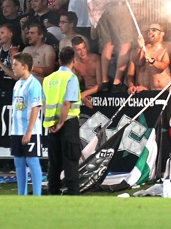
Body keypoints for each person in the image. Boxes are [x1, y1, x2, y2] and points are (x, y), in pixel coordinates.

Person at [43, 46, 80, 195]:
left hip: (51, 126)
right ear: (74, 61)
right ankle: (73, 193)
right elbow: (66, 103)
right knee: (70, 160)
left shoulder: (48, 79)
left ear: (59, 61)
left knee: (54, 162)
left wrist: (52, 123)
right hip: (68, 124)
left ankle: (53, 192)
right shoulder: (71, 78)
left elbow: (45, 103)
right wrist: (60, 123)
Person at [9, 52, 43, 196]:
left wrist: (29, 131)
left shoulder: (34, 84)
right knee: (18, 163)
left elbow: (36, 108)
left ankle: (37, 195)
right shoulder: (17, 84)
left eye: (15, 65)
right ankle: (21, 195)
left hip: (31, 131)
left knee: (32, 161)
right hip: (16, 130)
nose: (13, 67)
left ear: (25, 66)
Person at [70, 36, 102, 108]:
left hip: (100, 94)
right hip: (85, 94)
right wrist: (81, 94)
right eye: (78, 50)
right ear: (74, 51)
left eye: (84, 48)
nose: (82, 52)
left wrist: (82, 94)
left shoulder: (95, 60)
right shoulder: (74, 63)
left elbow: (100, 84)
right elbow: (71, 84)